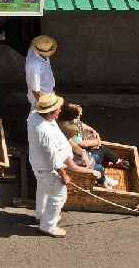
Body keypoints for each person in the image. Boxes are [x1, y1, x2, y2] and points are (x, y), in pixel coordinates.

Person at [27, 92, 101, 238]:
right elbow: (53, 158)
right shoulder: (44, 132)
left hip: (38, 163)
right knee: (58, 195)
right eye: (57, 109)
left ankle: (41, 214)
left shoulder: (34, 116)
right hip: (48, 168)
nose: (60, 111)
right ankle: (48, 225)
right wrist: (64, 175)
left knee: (43, 189)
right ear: (50, 112)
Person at [58, 102, 129, 188]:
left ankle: (117, 162)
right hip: (76, 162)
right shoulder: (68, 133)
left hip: (81, 156)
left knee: (103, 151)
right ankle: (103, 182)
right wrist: (96, 142)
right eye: (78, 115)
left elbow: (80, 125)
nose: (79, 117)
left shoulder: (71, 122)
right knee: (98, 167)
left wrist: (92, 130)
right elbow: (74, 162)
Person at [25, 35, 57, 110]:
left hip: (49, 94)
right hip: (41, 99)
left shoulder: (35, 49)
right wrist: (45, 107)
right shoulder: (34, 65)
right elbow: (35, 90)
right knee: (40, 120)